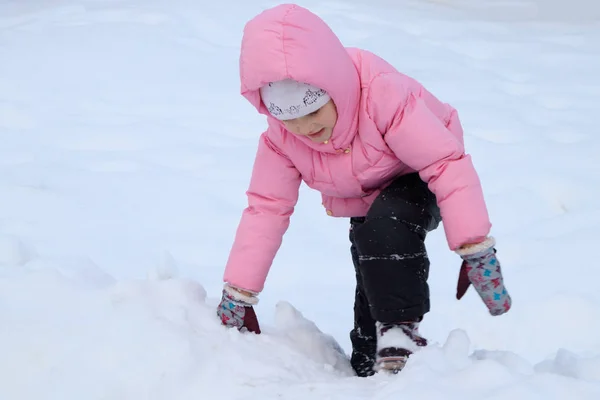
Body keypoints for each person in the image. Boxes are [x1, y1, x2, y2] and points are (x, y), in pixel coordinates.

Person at [216, 3, 511, 377]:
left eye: (313, 112)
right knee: (372, 271)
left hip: (422, 172)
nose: (305, 129)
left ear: (334, 89)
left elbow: (445, 164)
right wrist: (239, 291)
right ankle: (370, 360)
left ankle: (402, 336)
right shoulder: (281, 140)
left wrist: (477, 249)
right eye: (290, 119)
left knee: (386, 227)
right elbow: (266, 208)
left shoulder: (383, 96)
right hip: (366, 194)